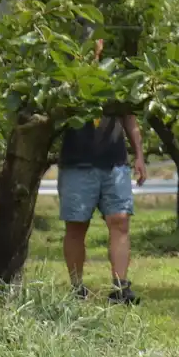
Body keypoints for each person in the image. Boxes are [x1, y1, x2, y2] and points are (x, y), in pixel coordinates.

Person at [58, 97, 146, 305]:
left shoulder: (116, 73)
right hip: (76, 164)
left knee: (120, 220)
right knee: (76, 226)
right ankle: (76, 287)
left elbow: (130, 118)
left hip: (115, 164)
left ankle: (120, 288)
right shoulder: (65, 72)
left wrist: (139, 156)